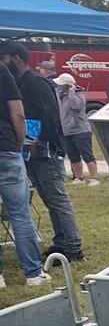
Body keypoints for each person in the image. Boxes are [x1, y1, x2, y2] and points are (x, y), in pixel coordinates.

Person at [0, 41, 85, 263]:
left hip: (45, 150)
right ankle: (61, 242)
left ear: (16, 58)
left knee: (57, 199)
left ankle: (72, 246)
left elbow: (51, 116)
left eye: (3, 58)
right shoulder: (16, 82)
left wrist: (40, 142)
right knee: (48, 199)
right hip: (29, 150)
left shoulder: (35, 82)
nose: (2, 63)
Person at [0, 60, 49, 287]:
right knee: (20, 214)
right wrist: (18, 147)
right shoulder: (2, 70)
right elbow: (18, 113)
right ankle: (33, 274)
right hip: (6, 146)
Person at [54, 73, 100, 185]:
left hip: (80, 129)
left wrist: (71, 93)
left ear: (68, 85)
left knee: (87, 154)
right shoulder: (59, 94)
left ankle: (94, 178)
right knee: (73, 155)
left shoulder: (78, 94)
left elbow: (77, 106)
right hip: (66, 130)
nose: (59, 86)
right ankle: (79, 178)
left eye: (61, 84)